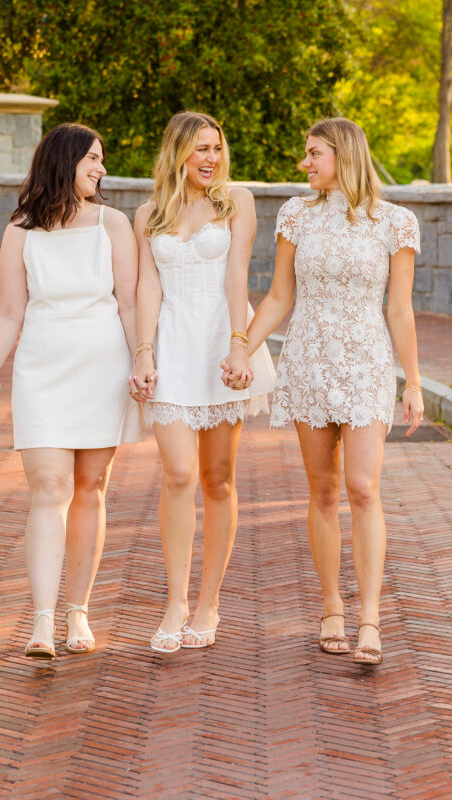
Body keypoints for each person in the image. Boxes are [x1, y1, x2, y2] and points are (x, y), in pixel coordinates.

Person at [223, 117, 423, 666]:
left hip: (366, 366)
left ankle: (370, 618)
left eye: (314, 153)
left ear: (344, 154)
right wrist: (242, 348)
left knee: (363, 487)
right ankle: (332, 606)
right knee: (324, 491)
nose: (304, 163)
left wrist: (412, 381)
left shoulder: (396, 222)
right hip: (308, 362)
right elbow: (278, 296)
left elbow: (400, 309)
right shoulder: (296, 215)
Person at [0, 123, 141, 660]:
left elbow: (129, 303)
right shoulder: (20, 230)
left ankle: (78, 611)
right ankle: (41, 620)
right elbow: (10, 312)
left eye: (102, 159)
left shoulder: (113, 223)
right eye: (93, 159)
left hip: (103, 366)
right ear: (65, 160)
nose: (101, 168)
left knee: (90, 486)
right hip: (42, 369)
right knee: (49, 487)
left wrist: (143, 361)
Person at [129, 111, 275, 653]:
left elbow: (238, 276)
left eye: (216, 148)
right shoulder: (148, 213)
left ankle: (209, 601)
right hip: (171, 347)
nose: (211, 158)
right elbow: (147, 287)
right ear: (178, 154)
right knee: (178, 473)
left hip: (219, 342)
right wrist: (144, 353)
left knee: (217, 480)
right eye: (200, 149)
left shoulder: (237, 201)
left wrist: (240, 345)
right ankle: (176, 601)